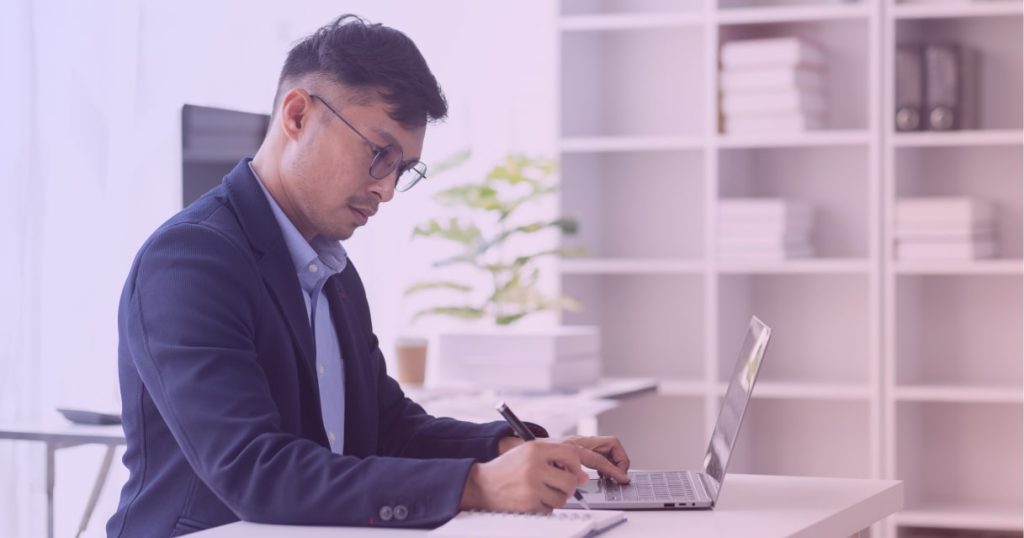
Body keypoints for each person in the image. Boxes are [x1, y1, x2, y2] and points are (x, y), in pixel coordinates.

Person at [107, 14, 631, 537]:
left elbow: (386, 428)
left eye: (401, 169)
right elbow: (254, 472)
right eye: (378, 154)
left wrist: (509, 449)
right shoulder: (190, 261)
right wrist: (478, 484)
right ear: (296, 116)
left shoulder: (331, 269)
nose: (385, 190)